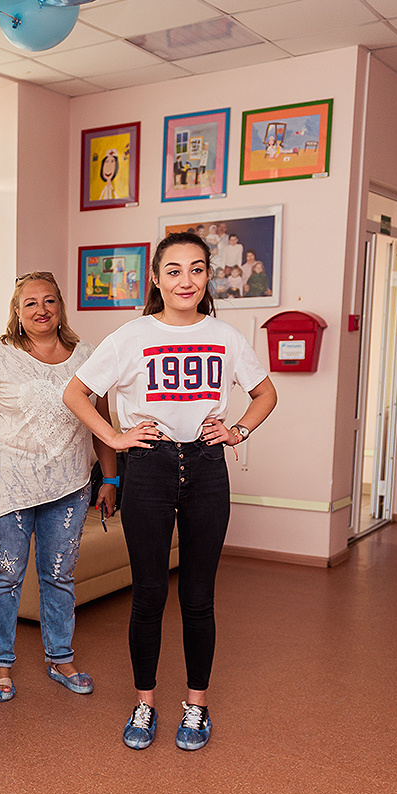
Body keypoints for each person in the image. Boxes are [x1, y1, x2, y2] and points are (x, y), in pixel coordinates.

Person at [63, 232, 277, 753]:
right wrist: (116, 437)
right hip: (149, 469)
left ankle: (196, 706)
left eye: (197, 269)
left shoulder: (225, 336)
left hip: (206, 469)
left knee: (198, 598)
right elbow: (76, 391)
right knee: (150, 595)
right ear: (156, 279)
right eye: (174, 270)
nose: (186, 280)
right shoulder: (131, 336)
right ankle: (145, 703)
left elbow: (265, 392)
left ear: (208, 278)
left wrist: (237, 431)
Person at [0, 271, 117, 703]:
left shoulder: (87, 355)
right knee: (5, 573)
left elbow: (102, 424)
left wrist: (111, 479)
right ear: (17, 311)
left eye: (49, 301)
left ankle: (60, 658)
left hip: (70, 483)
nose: (41, 310)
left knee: (59, 573)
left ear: (60, 307)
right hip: (8, 479)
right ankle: (0, 662)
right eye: (30, 303)